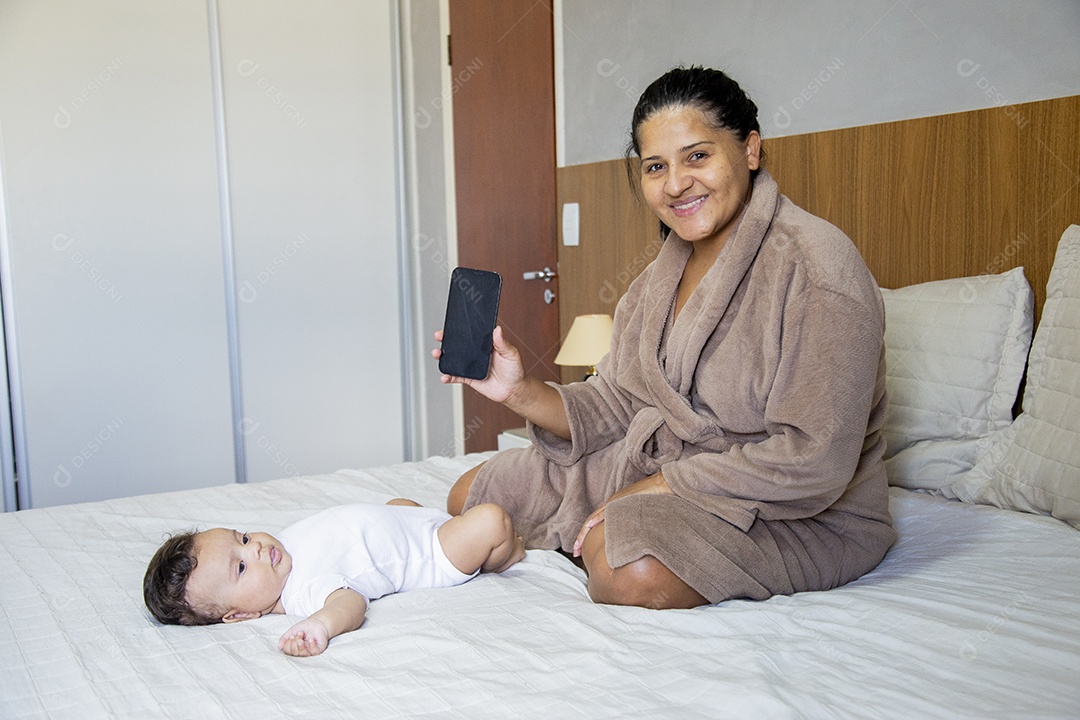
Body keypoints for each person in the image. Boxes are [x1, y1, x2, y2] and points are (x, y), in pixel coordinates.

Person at [433, 65, 896, 610]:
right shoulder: (657, 278)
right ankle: (585, 531)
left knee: (626, 566)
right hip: (656, 465)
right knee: (468, 494)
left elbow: (813, 460)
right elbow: (616, 403)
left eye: (697, 156)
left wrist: (661, 487)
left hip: (794, 507)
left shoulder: (816, 270)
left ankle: (587, 537)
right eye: (656, 167)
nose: (676, 184)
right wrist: (516, 390)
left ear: (750, 149)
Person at [143, 499, 525, 656]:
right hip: (433, 552)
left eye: (241, 538)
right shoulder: (302, 592)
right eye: (240, 567)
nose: (255, 548)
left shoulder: (279, 553)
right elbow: (351, 603)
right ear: (240, 615)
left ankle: (443, 521)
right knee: (492, 518)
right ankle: (503, 557)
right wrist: (319, 627)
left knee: (397, 504)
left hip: (405, 522)